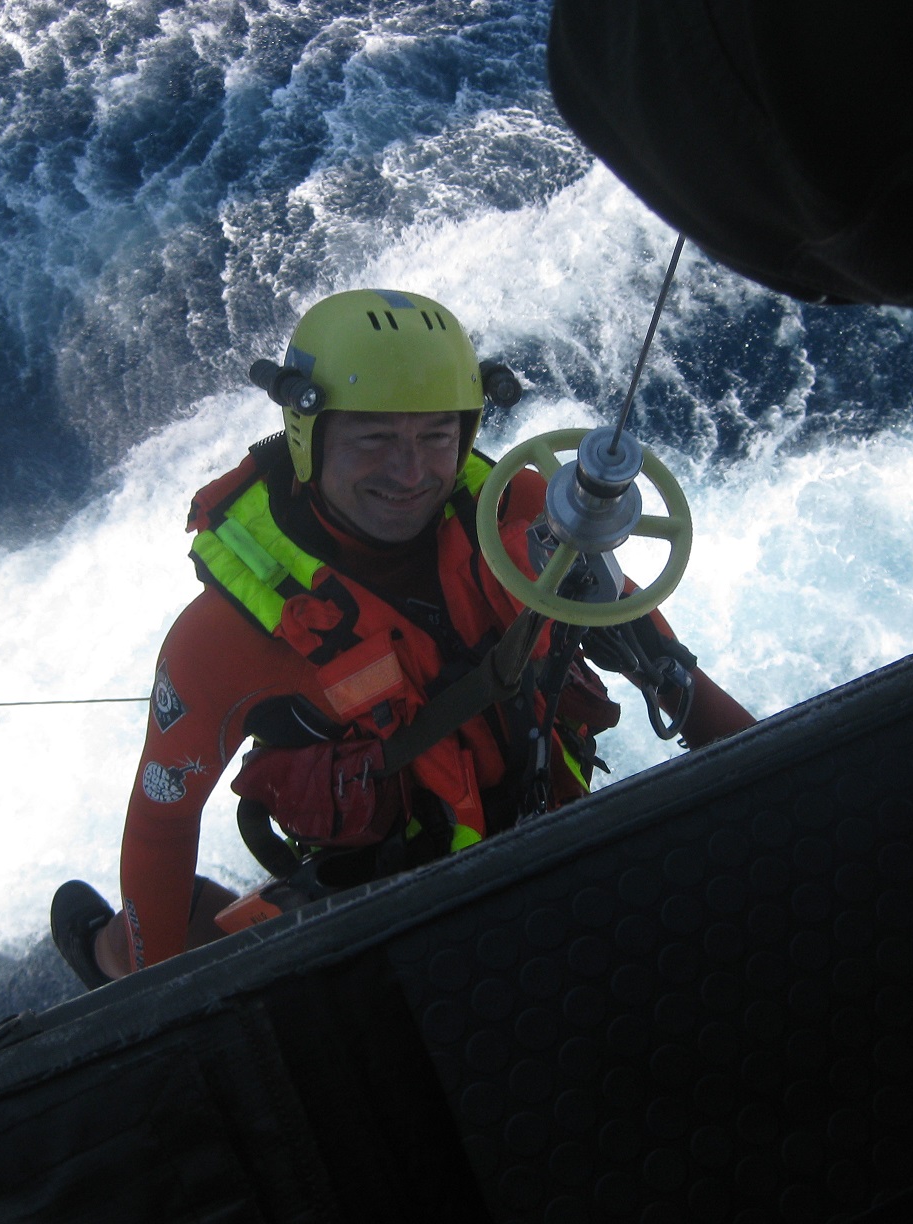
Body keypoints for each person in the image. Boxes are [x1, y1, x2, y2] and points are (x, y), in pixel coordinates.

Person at [52, 289, 756, 987]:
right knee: (214, 955)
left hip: (544, 837)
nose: (411, 472)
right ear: (308, 433)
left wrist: (772, 797)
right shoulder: (219, 638)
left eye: (434, 437)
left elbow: (669, 672)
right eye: (375, 438)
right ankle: (106, 949)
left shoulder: (529, 517)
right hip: (371, 903)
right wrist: (151, 1003)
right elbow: (162, 827)